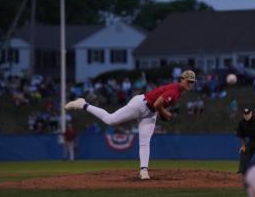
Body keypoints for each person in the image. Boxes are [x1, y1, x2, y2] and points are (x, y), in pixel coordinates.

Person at [65, 70, 197, 180]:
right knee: (110, 120)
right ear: (181, 79)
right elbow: (157, 104)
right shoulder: (174, 90)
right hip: (140, 105)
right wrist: (165, 113)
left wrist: (161, 112)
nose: (190, 84)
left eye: (192, 82)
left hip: (150, 113)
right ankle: (83, 104)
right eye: (188, 81)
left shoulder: (178, 92)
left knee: (145, 141)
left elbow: (157, 106)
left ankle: (143, 170)